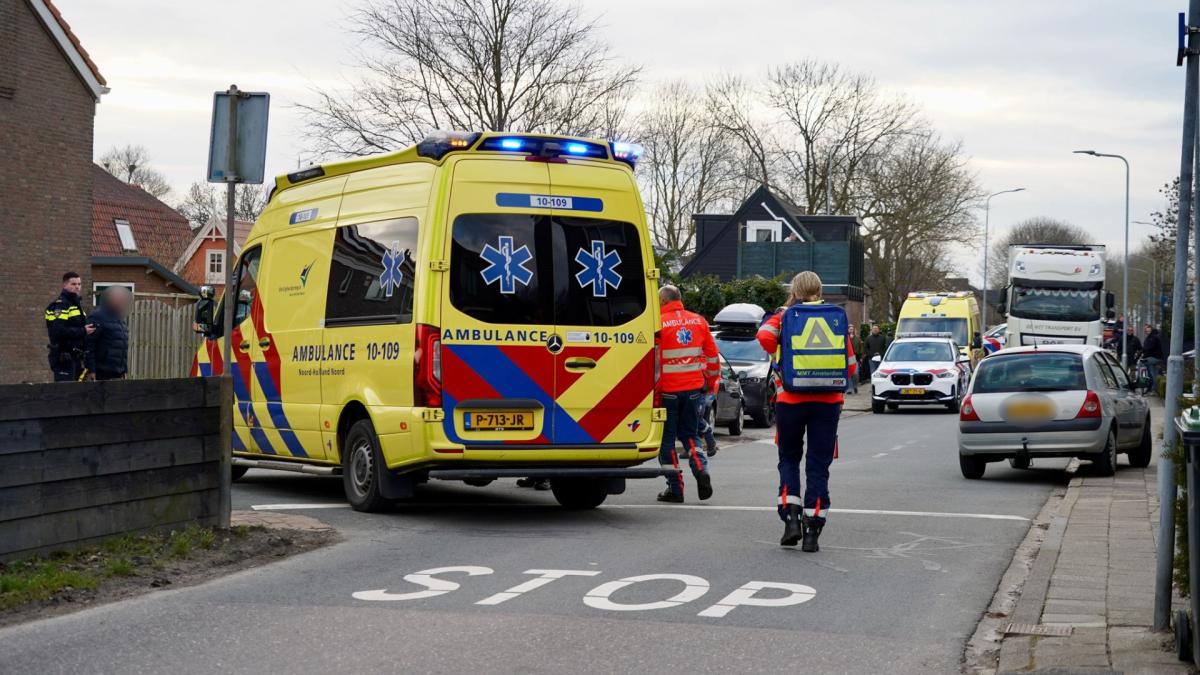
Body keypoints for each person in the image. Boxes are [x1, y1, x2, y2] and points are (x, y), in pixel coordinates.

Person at [757, 271, 856, 552]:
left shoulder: (786, 315)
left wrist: (778, 324)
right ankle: (812, 530)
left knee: (789, 459)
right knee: (818, 465)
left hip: (790, 400)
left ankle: (790, 517)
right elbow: (849, 366)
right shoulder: (834, 318)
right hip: (828, 403)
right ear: (819, 289)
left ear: (795, 290)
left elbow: (763, 338)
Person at [656, 285, 719, 503]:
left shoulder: (657, 324)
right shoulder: (699, 321)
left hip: (668, 393)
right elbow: (712, 357)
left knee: (667, 442)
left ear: (663, 302)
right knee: (691, 436)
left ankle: (675, 488)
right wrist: (710, 383)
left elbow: (652, 362)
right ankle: (701, 469)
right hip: (693, 389)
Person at [45, 271, 93, 381]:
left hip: (76, 357)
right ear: (65, 285)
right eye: (73, 284)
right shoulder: (61, 305)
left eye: (79, 284)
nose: (77, 287)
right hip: (64, 357)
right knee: (65, 393)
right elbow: (58, 331)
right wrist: (83, 331)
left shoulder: (76, 305)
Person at [84, 286, 131, 381]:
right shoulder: (97, 316)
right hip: (102, 371)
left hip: (117, 372)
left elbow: (122, 347)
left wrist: (124, 369)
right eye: (119, 299)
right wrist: (91, 370)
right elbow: (89, 344)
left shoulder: (119, 319)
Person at [846, 324, 863, 394]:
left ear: (854, 330)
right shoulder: (845, 338)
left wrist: (861, 357)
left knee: (855, 373)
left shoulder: (858, 339)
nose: (851, 330)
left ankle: (855, 386)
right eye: (850, 329)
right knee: (848, 373)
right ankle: (849, 389)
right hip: (847, 358)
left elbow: (861, 348)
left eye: (852, 329)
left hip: (856, 358)